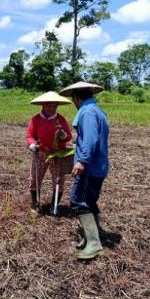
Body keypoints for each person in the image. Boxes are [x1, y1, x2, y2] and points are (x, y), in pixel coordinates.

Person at [59, 81, 109, 260]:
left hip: (89, 166)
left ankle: (94, 244)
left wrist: (81, 160)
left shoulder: (87, 112)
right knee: (89, 200)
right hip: (99, 165)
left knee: (78, 201)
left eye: (73, 99)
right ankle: (92, 237)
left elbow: (90, 138)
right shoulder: (97, 110)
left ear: (77, 98)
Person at [26, 91, 73, 215]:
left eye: (53, 106)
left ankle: (54, 205)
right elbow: (30, 135)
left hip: (58, 155)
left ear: (57, 106)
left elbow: (68, 137)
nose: (51, 108)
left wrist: (63, 136)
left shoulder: (60, 120)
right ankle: (35, 204)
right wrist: (31, 144)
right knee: (35, 178)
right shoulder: (36, 119)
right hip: (41, 152)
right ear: (43, 105)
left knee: (58, 180)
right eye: (48, 105)